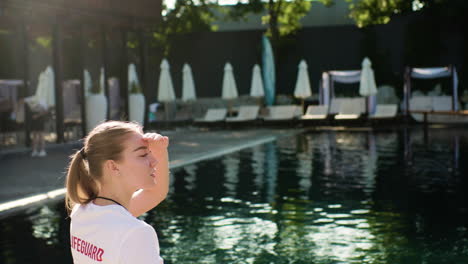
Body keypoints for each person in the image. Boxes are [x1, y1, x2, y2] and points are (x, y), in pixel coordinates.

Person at [65, 121, 169, 263]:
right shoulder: (135, 233)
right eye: (143, 155)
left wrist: (160, 152)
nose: (154, 161)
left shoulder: (82, 212)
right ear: (113, 166)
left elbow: (156, 193)